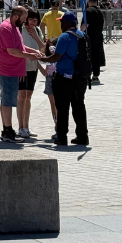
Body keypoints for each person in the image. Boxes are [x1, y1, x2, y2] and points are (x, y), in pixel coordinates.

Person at [0, 5, 43, 143]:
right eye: (24, 18)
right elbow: (12, 51)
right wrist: (29, 56)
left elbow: (20, 47)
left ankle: (7, 130)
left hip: (12, 69)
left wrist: (33, 51)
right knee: (7, 101)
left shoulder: (15, 27)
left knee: (7, 99)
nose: (25, 21)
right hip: (5, 69)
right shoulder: (6, 28)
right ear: (16, 16)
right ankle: (7, 131)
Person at [38, 11, 90, 146]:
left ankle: (61, 137)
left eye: (62, 22)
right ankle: (82, 136)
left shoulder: (64, 37)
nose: (60, 24)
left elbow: (56, 57)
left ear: (67, 23)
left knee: (62, 108)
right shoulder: (83, 35)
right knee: (79, 107)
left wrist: (41, 58)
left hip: (64, 78)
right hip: (80, 78)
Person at [17, 8, 44, 139]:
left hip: (33, 68)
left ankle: (26, 126)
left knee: (29, 96)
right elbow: (19, 51)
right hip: (22, 68)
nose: (33, 22)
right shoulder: (19, 31)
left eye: (35, 20)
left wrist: (36, 36)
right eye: (31, 19)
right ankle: (20, 126)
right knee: (21, 96)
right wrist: (20, 68)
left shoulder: (37, 30)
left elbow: (42, 48)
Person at [85, 0, 106, 84]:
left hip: (89, 37)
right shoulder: (100, 12)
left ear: (89, 2)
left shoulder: (88, 11)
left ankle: (87, 75)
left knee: (88, 56)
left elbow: (85, 25)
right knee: (96, 56)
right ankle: (95, 75)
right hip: (98, 37)